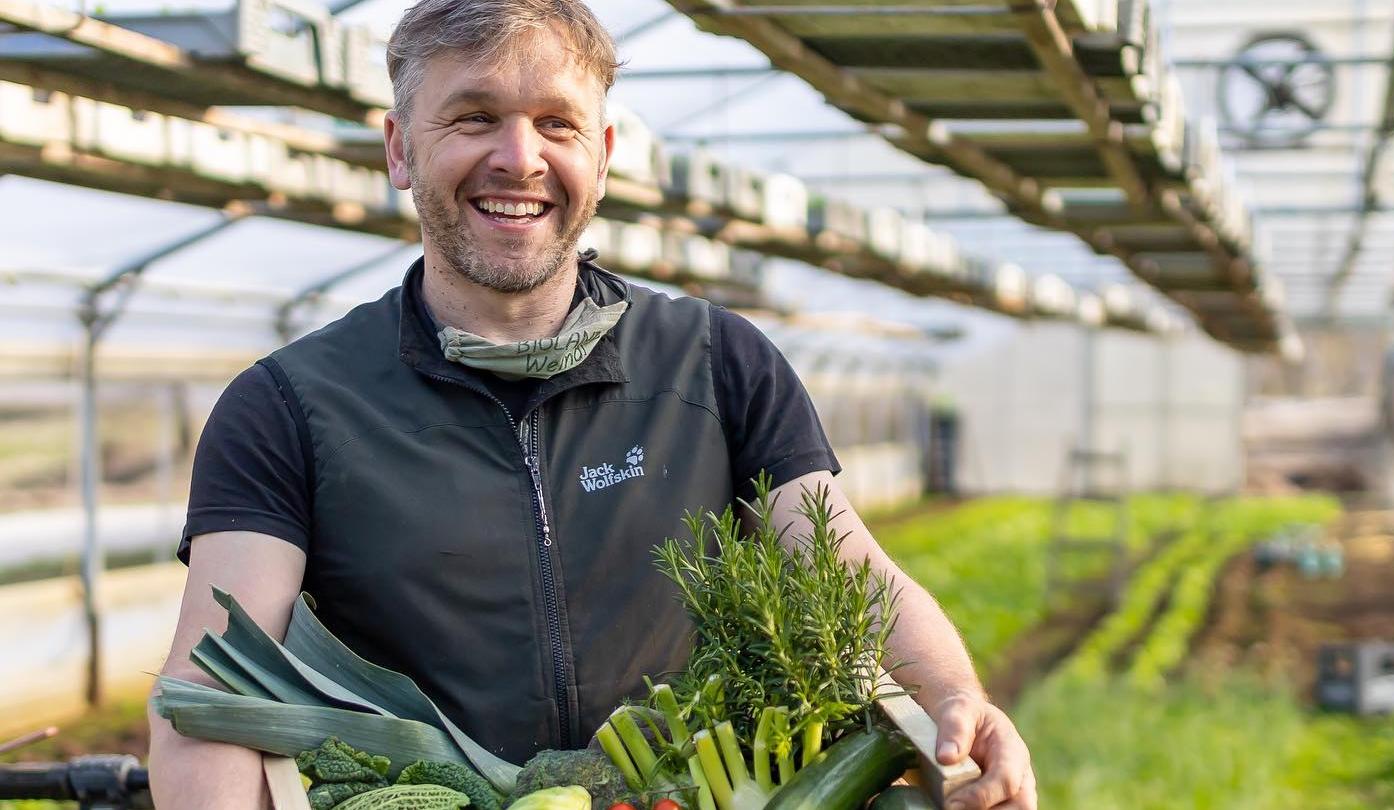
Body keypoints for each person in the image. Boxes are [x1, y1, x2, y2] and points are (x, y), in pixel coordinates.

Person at [145, 1, 1037, 807]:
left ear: (602, 157)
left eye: (557, 124)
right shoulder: (289, 406)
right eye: (474, 117)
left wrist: (958, 698)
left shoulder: (717, 363)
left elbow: (848, 572)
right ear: (399, 150)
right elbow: (212, 696)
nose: (520, 158)